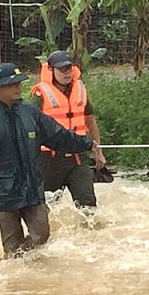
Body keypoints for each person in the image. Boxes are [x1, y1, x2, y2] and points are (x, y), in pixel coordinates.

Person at [0, 62, 94, 258]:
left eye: (19, 84)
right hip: (3, 193)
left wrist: (85, 143)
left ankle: (24, 259)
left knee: (42, 233)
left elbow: (58, 136)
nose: (18, 88)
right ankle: (16, 274)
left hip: (31, 187)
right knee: (12, 248)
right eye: (12, 85)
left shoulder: (31, 113)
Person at [29, 50, 105, 210]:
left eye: (69, 69)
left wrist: (99, 151)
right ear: (51, 71)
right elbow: (29, 126)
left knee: (89, 206)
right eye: (62, 69)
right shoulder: (40, 95)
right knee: (47, 209)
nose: (67, 73)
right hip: (49, 160)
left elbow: (90, 121)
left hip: (78, 158)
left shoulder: (80, 89)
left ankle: (90, 235)